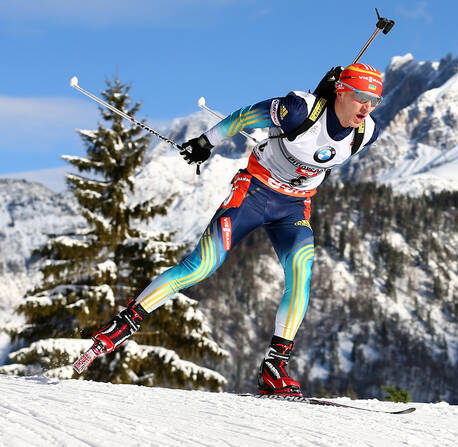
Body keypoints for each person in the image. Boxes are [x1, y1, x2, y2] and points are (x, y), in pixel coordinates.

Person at [89, 63, 384, 397]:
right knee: (203, 265)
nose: (367, 107)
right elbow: (245, 117)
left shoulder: (367, 131)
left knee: (302, 271)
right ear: (341, 90)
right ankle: (126, 322)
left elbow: (323, 154)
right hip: (254, 193)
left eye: (374, 99)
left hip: (294, 207)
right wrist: (205, 142)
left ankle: (275, 367)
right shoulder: (299, 109)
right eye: (361, 96)